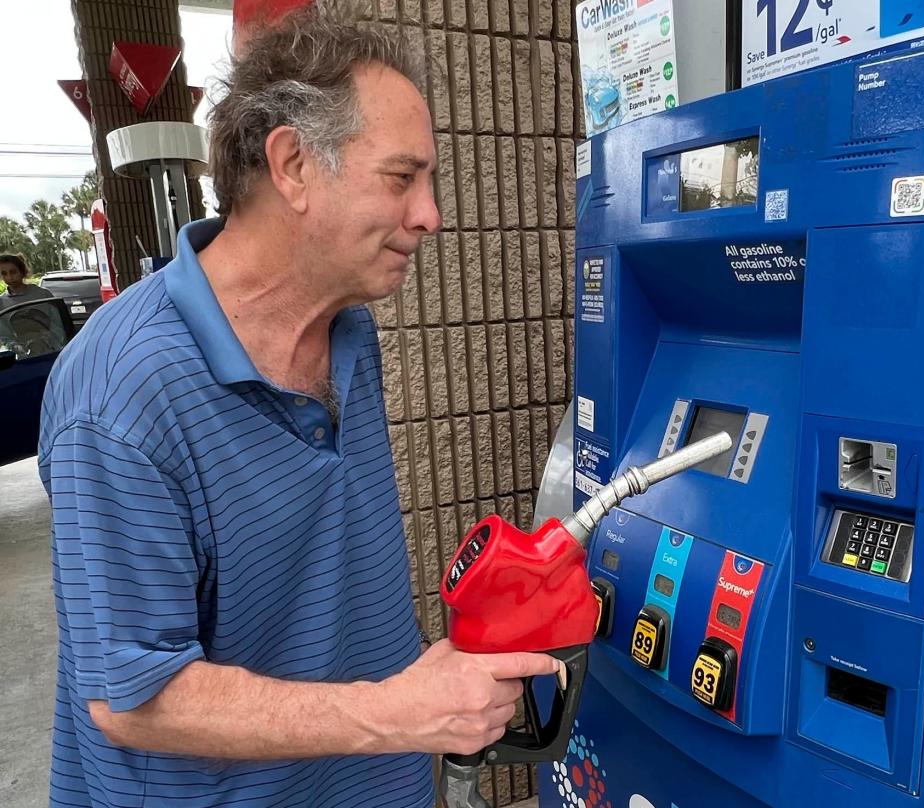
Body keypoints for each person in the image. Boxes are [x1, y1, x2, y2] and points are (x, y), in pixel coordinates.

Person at [39, 6, 558, 808]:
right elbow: (134, 699)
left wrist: (417, 704)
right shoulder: (121, 390)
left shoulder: (348, 333)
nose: (431, 215)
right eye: (401, 177)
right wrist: (395, 713)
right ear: (292, 165)